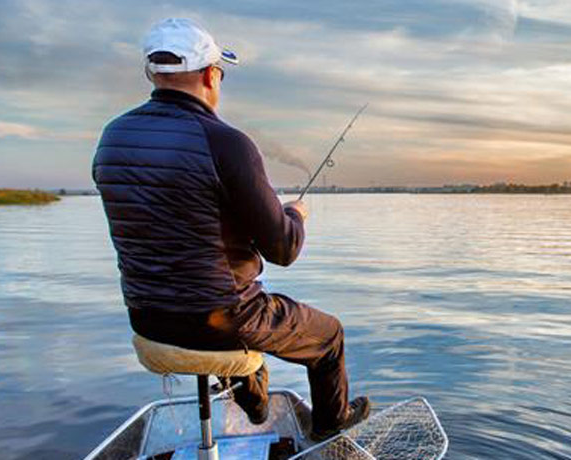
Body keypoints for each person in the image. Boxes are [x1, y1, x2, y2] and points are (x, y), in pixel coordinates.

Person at [91, 18, 369, 440]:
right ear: (210, 74)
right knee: (328, 335)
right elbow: (284, 249)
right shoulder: (226, 142)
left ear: (152, 74)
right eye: (220, 72)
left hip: (146, 318)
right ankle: (331, 429)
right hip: (222, 320)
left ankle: (254, 400)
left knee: (246, 316)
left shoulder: (112, 137)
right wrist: (295, 215)